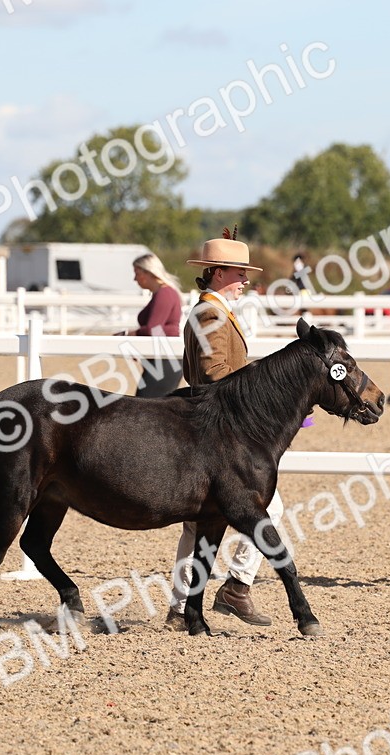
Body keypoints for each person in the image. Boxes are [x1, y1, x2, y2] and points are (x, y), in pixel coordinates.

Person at [166, 231, 285, 630]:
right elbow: (217, 374)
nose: (244, 280)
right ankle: (236, 585)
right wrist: (265, 404)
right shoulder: (210, 315)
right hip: (220, 430)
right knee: (273, 508)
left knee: (196, 523)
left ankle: (182, 606)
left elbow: (197, 370)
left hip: (203, 424)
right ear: (217, 273)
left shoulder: (210, 311)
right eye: (238, 272)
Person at [120, 253, 184, 398]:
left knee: (143, 409)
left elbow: (152, 329)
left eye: (137, 273)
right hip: (162, 361)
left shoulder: (164, 293)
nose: (135, 279)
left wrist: (128, 334)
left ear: (148, 272)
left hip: (165, 362)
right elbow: (162, 329)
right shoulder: (163, 293)